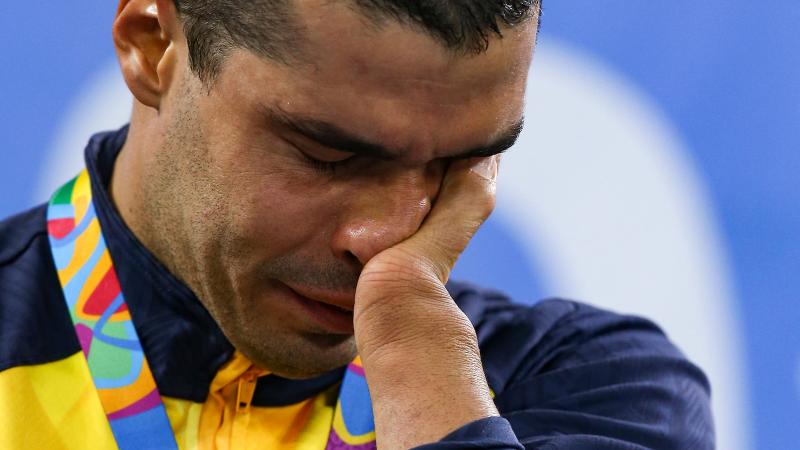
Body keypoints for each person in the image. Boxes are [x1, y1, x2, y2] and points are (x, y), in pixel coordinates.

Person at [0, 0, 714, 448]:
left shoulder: (603, 390)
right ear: (152, 48)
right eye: (330, 155)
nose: (387, 239)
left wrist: (413, 350)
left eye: (462, 164)